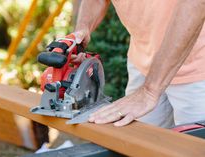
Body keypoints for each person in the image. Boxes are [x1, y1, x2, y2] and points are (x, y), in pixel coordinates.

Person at [72, 0, 205, 128]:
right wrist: (84, 26)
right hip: (143, 64)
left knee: (195, 147)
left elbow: (195, 3)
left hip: (198, 70)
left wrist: (149, 92)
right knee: (142, 145)